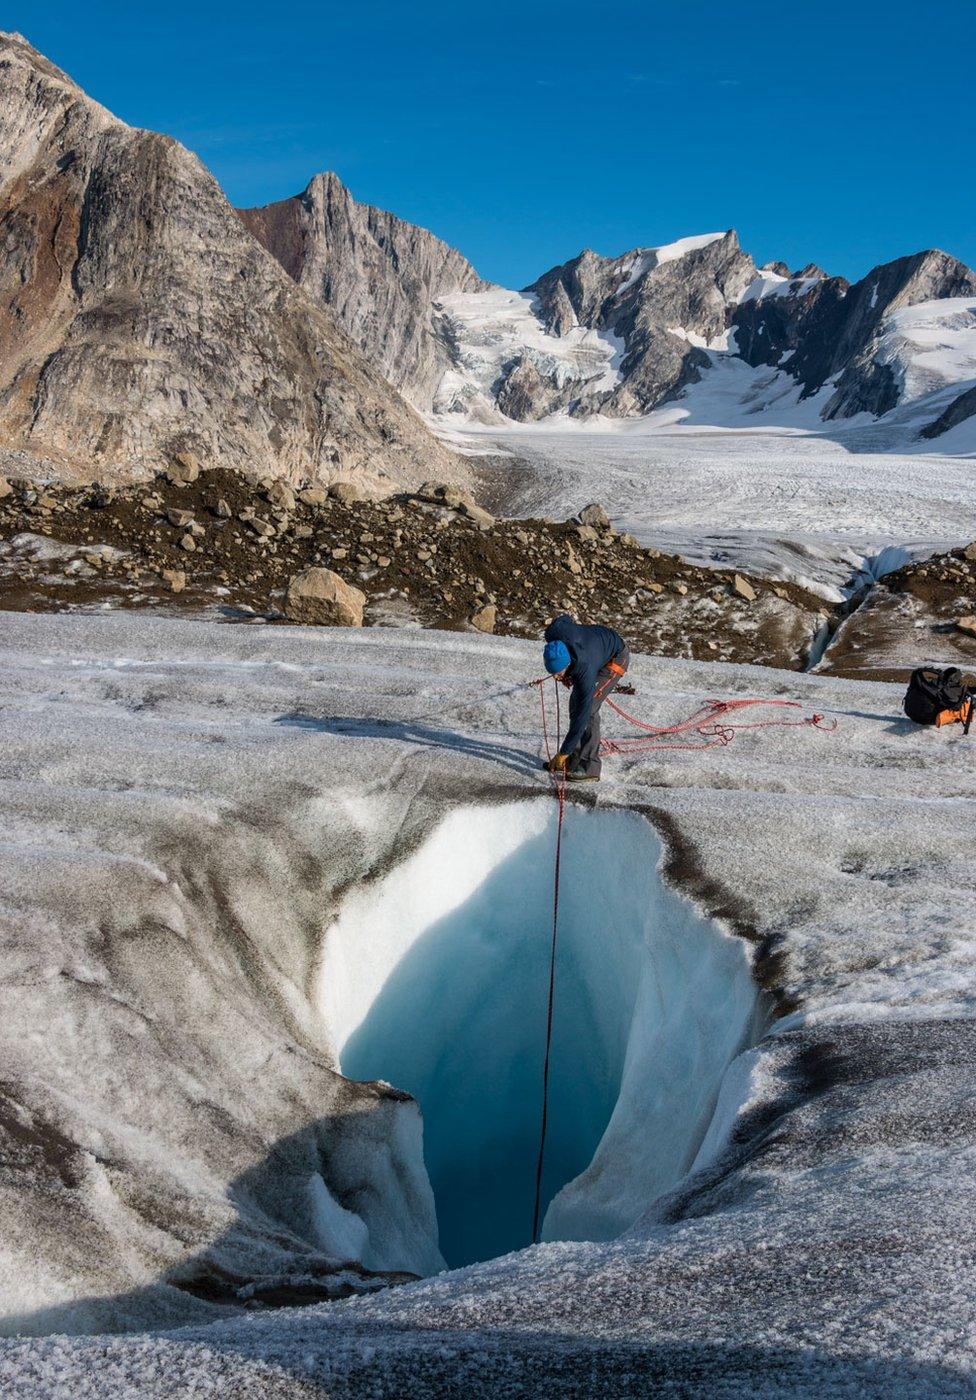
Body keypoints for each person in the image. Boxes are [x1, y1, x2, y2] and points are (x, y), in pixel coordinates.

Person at [541, 614, 630, 782]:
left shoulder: (584, 669)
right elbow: (564, 618)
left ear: (568, 664)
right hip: (595, 645)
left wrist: (562, 752)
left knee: (588, 709)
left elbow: (582, 714)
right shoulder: (553, 633)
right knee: (575, 704)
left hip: (614, 657)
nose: (556, 677)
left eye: (558, 674)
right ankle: (574, 760)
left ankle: (590, 766)